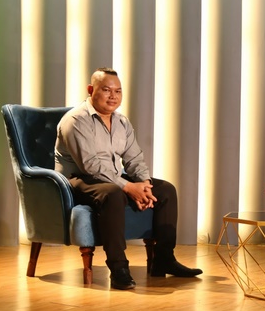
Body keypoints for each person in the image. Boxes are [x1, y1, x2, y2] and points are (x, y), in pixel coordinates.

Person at [55, 67, 202, 290]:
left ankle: (164, 259)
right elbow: (91, 166)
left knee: (166, 190)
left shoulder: (121, 121)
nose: (113, 96)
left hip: (109, 177)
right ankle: (119, 269)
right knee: (114, 193)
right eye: (106, 90)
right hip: (77, 180)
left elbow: (134, 158)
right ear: (91, 90)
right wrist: (128, 187)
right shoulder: (76, 120)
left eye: (118, 91)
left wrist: (144, 185)